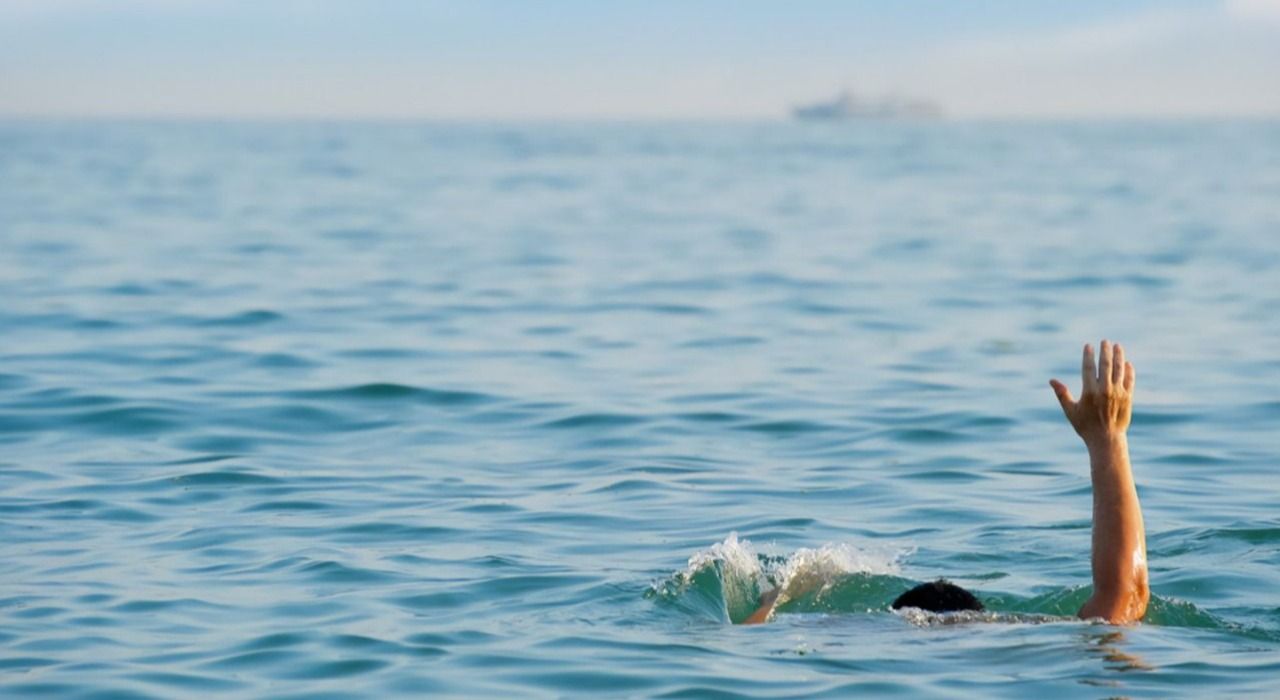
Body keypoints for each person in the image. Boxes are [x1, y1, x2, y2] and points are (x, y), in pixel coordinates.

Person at [743, 341, 1149, 625]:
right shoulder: (1009, 635)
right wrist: (1107, 440)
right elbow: (1124, 603)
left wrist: (773, 600)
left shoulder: (877, 634)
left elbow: (753, 641)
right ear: (980, 617)